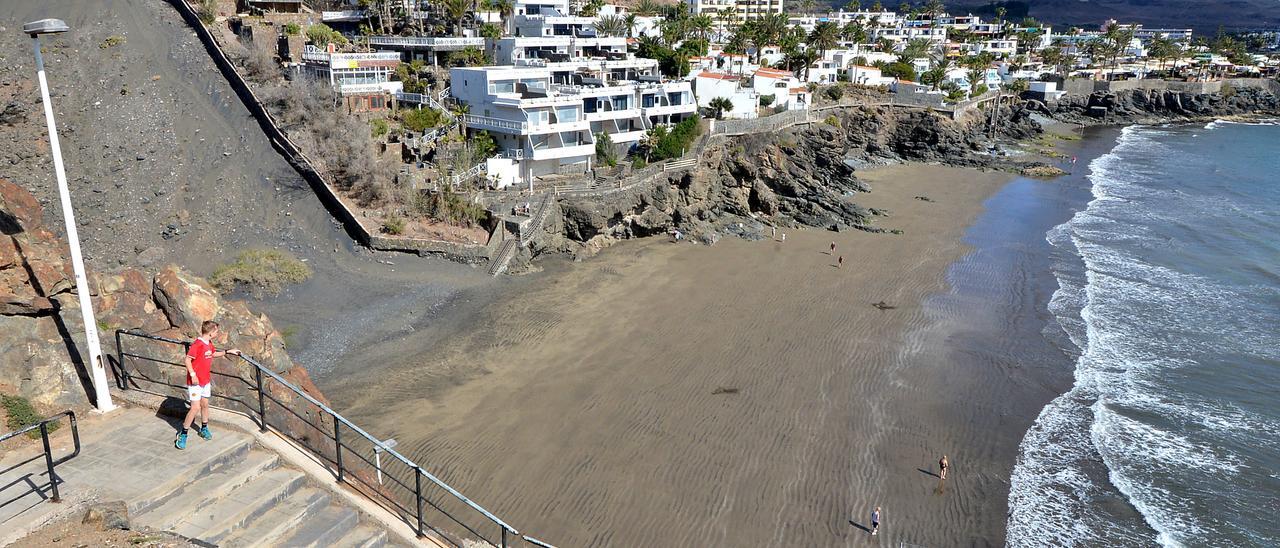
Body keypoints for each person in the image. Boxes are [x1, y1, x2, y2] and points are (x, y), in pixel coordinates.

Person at [175, 320, 240, 450]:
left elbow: (213, 353)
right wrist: (193, 375)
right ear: (210, 333)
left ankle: (204, 428)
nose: (217, 332)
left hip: (205, 381)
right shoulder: (197, 344)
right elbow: (187, 360)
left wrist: (228, 351)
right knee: (195, 408)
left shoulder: (208, 343)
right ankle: (183, 433)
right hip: (195, 382)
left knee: (205, 405)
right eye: (216, 331)